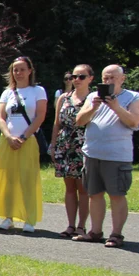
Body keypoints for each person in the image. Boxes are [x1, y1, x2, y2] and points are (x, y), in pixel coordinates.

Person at [73, 64, 139, 248]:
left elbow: (134, 121)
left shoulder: (132, 97)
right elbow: (79, 121)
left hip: (117, 156)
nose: (108, 81)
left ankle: (116, 234)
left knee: (117, 195)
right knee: (94, 194)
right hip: (92, 153)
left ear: (122, 79)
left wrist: (116, 106)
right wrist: (93, 108)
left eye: (113, 78)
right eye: (105, 78)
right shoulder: (92, 96)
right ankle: (95, 232)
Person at [0, 56, 47, 232]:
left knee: (28, 180)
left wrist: (24, 137)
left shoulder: (38, 91)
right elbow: (1, 117)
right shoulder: (7, 93)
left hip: (27, 141)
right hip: (7, 141)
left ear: (29, 71)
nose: (18, 73)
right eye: (15, 69)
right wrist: (9, 136)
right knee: (8, 180)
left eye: (22, 69)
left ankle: (29, 219)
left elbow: (40, 116)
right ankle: (8, 217)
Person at [50, 65, 92, 238]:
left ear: (90, 78)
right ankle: (70, 225)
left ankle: (81, 226)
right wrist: (53, 145)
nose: (76, 79)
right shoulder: (64, 98)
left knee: (83, 188)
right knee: (69, 187)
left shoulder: (93, 98)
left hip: (85, 144)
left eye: (81, 76)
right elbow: (56, 123)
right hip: (65, 144)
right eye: (74, 76)